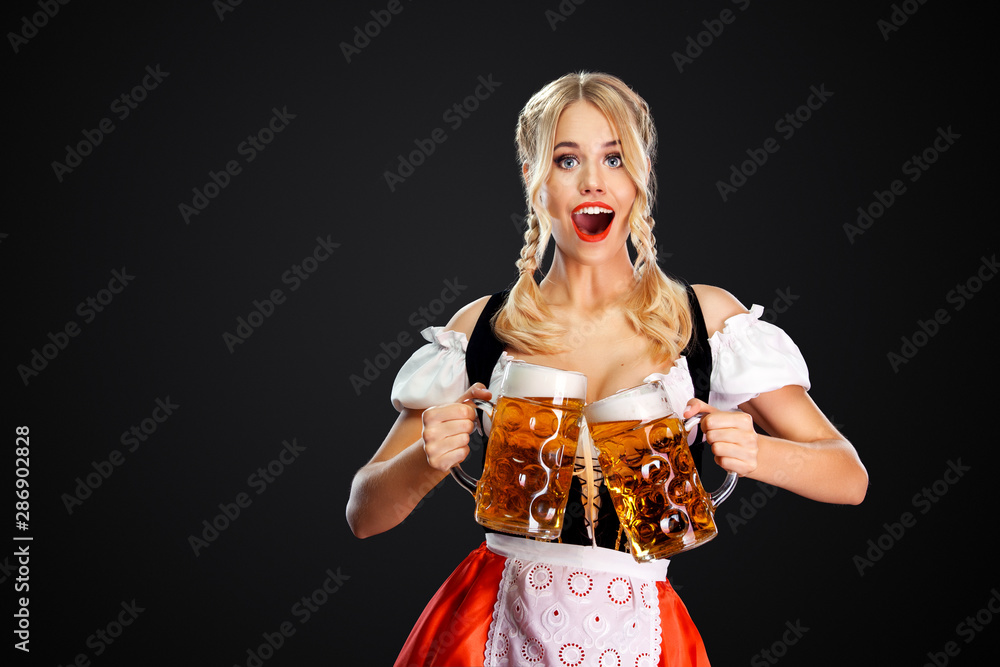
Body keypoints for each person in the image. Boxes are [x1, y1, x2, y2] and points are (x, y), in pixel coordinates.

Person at [346, 71, 868, 667]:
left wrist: (757, 453)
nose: (594, 180)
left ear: (641, 176)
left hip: (641, 627)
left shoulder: (704, 319)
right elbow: (364, 513)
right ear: (532, 179)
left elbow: (849, 478)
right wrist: (425, 460)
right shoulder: (482, 327)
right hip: (493, 624)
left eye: (615, 158)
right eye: (567, 160)